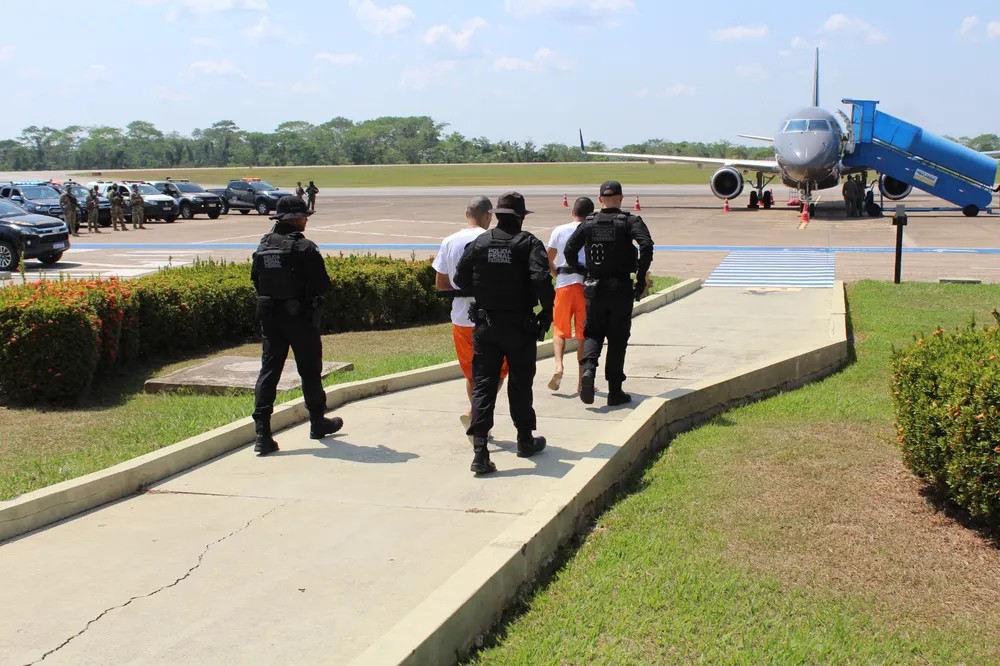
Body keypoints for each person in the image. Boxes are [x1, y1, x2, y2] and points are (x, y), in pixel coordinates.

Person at [454, 192, 554, 475]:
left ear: (497, 215)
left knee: (484, 385)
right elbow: (540, 279)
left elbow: (460, 278)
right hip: (519, 326)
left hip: (486, 326)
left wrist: (485, 291)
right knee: (520, 384)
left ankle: (480, 451)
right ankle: (524, 440)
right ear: (521, 217)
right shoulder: (529, 243)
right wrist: (548, 312)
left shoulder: (480, 243)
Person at [251, 195, 343, 456]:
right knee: (310, 370)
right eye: (303, 216)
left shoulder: (263, 245)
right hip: (300, 318)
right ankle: (317, 421)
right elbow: (322, 284)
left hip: (271, 317)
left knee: (269, 372)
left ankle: (262, 434)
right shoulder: (304, 248)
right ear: (295, 219)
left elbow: (256, 281)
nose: (305, 221)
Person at [564, 180, 654, 407]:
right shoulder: (629, 221)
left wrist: (583, 271)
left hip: (594, 289)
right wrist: (640, 276)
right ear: (621, 198)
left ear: (600, 199)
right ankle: (615, 391)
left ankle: (588, 370)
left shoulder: (589, 222)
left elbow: (569, 250)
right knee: (617, 339)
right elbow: (646, 245)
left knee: (593, 333)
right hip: (620, 290)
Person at [432, 196, 508, 434]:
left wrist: (462, 292)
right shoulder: (493, 239)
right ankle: (476, 413)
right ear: (488, 216)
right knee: (498, 371)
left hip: (461, 318)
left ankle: (478, 419)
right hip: (492, 317)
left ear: (467, 214)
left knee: (472, 374)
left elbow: (441, 283)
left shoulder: (449, 241)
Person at [546, 196, 593, 393]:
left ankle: (559, 366)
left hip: (564, 286)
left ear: (573, 212)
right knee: (583, 335)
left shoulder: (559, 230)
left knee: (559, 330)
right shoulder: (591, 229)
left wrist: (556, 274)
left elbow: (548, 257)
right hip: (584, 286)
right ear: (590, 214)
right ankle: (582, 381)